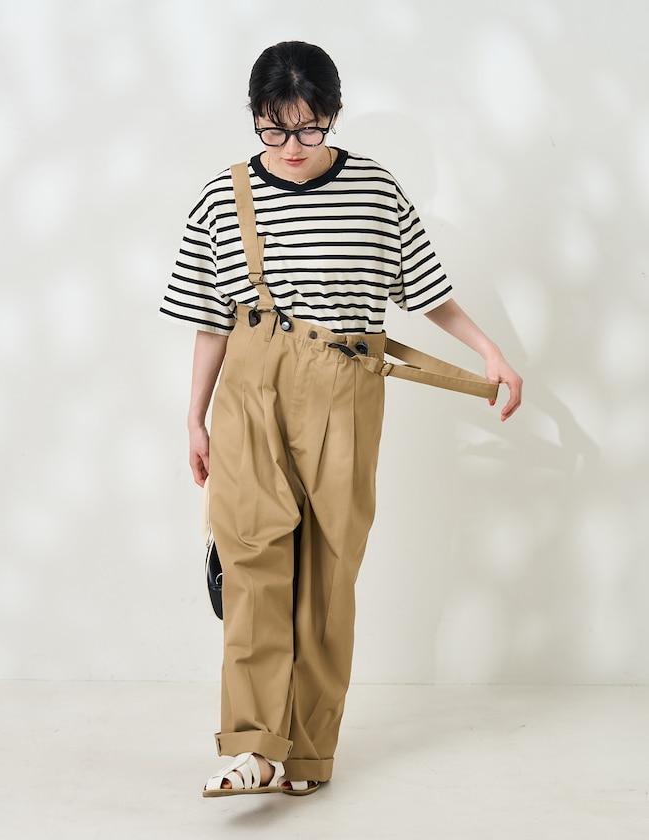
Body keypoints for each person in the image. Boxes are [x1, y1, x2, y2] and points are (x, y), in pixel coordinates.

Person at [158, 40, 523, 798]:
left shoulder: (375, 190)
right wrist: (193, 418)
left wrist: (490, 352)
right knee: (252, 560)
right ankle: (253, 746)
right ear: (254, 117)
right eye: (274, 127)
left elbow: (427, 291)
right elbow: (209, 321)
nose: (292, 145)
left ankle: (309, 755)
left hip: (346, 387)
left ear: (333, 114)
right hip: (250, 386)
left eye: (309, 126)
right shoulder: (222, 197)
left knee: (328, 572)